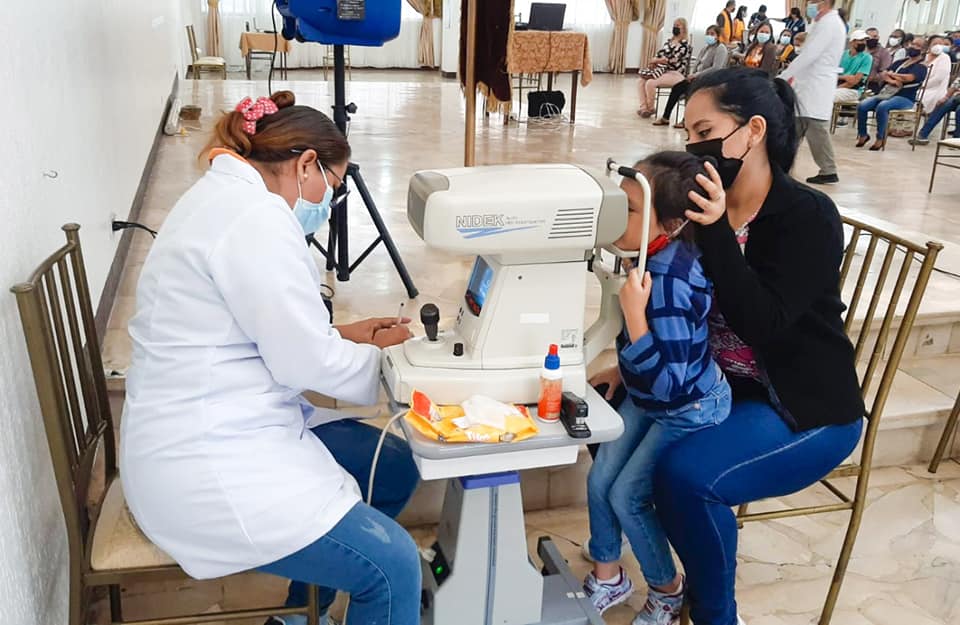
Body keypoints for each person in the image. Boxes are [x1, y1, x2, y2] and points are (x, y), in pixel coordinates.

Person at [119, 90, 423, 625]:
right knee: (392, 565)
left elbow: (262, 328)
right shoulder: (255, 219)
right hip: (205, 463)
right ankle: (329, 601)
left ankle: (301, 613)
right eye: (332, 187)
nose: (329, 203)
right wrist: (397, 365)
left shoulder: (226, 196)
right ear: (306, 164)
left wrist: (344, 334)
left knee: (395, 469)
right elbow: (306, 364)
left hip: (215, 417)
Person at [653, 67, 865, 625]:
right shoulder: (706, 205)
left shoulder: (807, 215)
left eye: (704, 131)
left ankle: (715, 615)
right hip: (727, 389)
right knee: (621, 428)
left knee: (687, 476)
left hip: (805, 407)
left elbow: (762, 325)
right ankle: (669, 581)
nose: (694, 148)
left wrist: (718, 229)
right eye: (688, 136)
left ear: (751, 132)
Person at [583, 151, 732, 624]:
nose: (615, 218)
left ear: (668, 221)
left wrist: (633, 317)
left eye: (628, 210)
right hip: (652, 393)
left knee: (627, 494)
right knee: (600, 474)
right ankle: (609, 574)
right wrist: (622, 370)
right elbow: (654, 367)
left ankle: (668, 591)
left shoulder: (667, 280)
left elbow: (671, 383)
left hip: (688, 406)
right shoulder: (648, 257)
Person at [779, 0, 846, 185]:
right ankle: (781, 165)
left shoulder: (830, 23)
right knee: (796, 126)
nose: (810, 6)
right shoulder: (821, 23)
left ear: (824, 3)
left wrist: (784, 76)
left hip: (817, 83)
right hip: (809, 83)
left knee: (815, 128)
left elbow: (810, 55)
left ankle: (828, 169)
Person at [856, 38, 928, 150]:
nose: (913, 46)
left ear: (923, 49)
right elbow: (884, 73)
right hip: (887, 94)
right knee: (863, 105)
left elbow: (910, 78)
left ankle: (880, 138)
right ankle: (863, 135)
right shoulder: (900, 62)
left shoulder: (921, 66)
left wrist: (893, 75)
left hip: (905, 98)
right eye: (912, 43)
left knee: (883, 106)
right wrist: (894, 81)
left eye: (917, 45)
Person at [654, 25, 730, 128]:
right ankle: (665, 117)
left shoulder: (721, 49)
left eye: (712, 34)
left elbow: (716, 68)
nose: (709, 36)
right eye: (707, 34)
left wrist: (696, 75)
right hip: (696, 78)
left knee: (691, 91)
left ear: (717, 36)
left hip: (710, 79)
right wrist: (692, 75)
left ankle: (686, 120)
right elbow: (696, 64)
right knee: (677, 87)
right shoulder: (705, 48)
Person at [637, 18, 692, 118]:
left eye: (678, 25)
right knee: (641, 81)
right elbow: (658, 56)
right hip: (663, 71)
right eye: (674, 25)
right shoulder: (668, 42)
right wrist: (656, 60)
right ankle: (643, 108)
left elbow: (672, 60)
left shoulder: (685, 45)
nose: (675, 27)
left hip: (676, 74)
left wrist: (657, 60)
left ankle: (651, 108)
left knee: (650, 83)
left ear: (684, 28)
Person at [911, 75, 960, 145]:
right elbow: (955, 85)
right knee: (943, 105)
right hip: (957, 97)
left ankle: (956, 140)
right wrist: (945, 97)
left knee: (959, 110)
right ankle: (922, 135)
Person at [834, 30, 873, 103]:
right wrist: (845, 77)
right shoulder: (843, 54)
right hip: (837, 85)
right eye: (861, 40)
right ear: (852, 42)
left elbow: (854, 81)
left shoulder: (867, 58)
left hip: (853, 90)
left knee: (830, 96)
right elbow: (834, 73)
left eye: (865, 40)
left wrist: (836, 88)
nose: (864, 43)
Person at [921, 36, 953, 114]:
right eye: (935, 44)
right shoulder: (924, 56)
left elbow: (939, 78)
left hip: (935, 89)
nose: (938, 46)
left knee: (921, 97)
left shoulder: (945, 58)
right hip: (919, 86)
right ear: (929, 45)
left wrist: (922, 85)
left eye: (940, 44)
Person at [865, 27, 893, 94]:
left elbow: (885, 71)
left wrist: (873, 77)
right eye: (869, 37)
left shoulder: (884, 52)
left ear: (878, 37)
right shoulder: (862, 51)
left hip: (873, 85)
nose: (872, 39)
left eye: (875, 36)